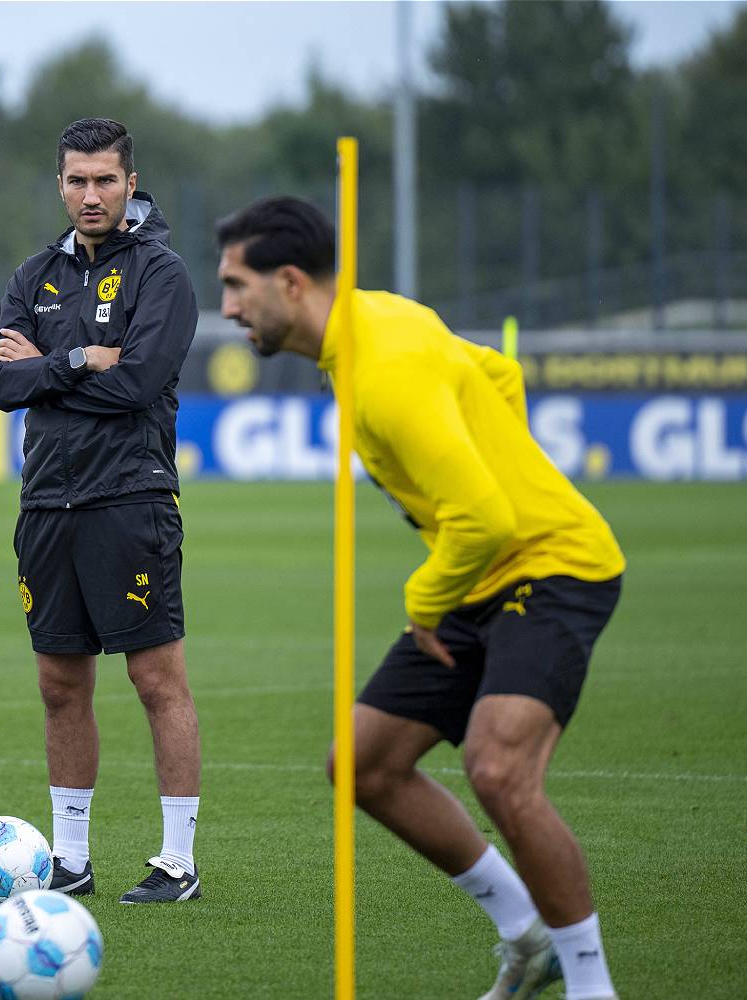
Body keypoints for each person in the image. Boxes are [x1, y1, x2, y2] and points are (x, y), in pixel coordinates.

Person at [215, 196, 625, 1000]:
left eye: (235, 286)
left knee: (498, 770)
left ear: (290, 282)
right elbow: (497, 373)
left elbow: (486, 515)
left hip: (554, 564)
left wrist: (425, 594)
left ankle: (592, 987)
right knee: (362, 766)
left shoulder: (387, 371)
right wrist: (501, 454)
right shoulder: (370, 323)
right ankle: (527, 936)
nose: (226, 308)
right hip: (479, 571)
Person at [0, 118, 202, 904]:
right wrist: (72, 359)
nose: (90, 195)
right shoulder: (35, 273)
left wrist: (41, 368)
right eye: (76, 180)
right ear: (60, 185)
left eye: (105, 180)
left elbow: (137, 383)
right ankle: (69, 860)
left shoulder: (162, 274)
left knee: (155, 677)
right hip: (46, 500)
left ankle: (178, 861)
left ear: (130, 184)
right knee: (58, 683)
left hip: (129, 497)